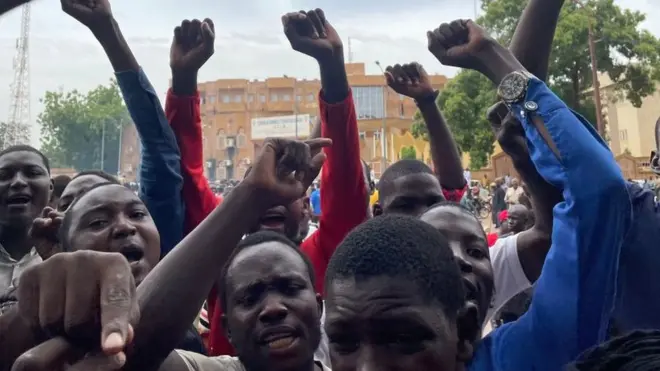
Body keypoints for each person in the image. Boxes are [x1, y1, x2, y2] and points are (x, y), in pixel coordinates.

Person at [0, 145, 52, 315]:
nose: (18, 182)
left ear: (51, 187)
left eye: (33, 173)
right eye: (3, 176)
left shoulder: (71, 253)